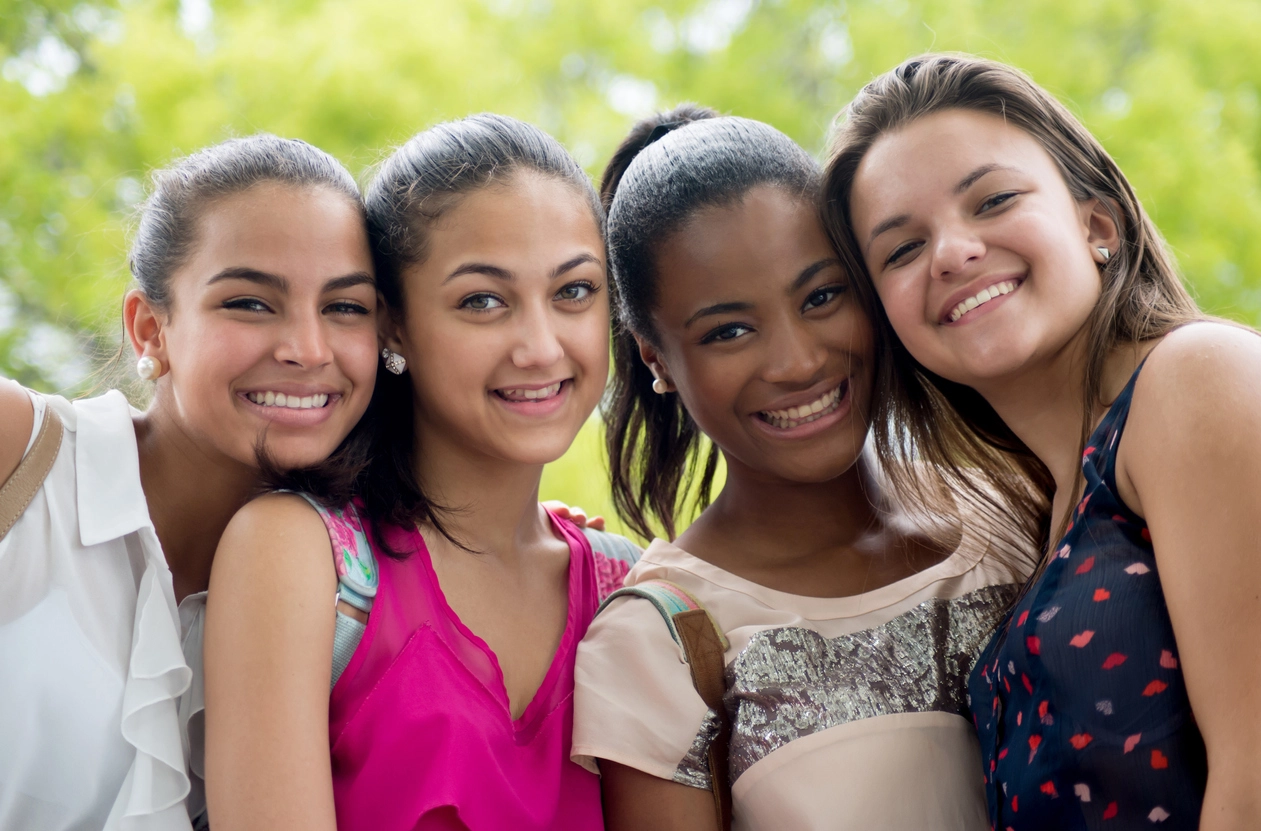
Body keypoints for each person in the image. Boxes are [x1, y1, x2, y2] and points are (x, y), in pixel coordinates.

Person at [824, 53, 1261, 829]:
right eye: (900, 249)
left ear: (1096, 224)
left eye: (991, 200)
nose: (952, 252)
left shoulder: (1196, 377)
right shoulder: (1047, 501)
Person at [571, 105, 1033, 831]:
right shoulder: (656, 643)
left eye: (821, 296)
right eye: (729, 331)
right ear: (655, 357)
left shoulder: (1018, 498)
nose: (798, 361)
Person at [204, 113, 630, 831]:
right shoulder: (300, 555)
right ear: (392, 324)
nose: (539, 346)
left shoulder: (631, 589)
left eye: (574, 291)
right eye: (482, 301)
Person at [0, 134, 379, 830]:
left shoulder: (360, 574)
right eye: (250, 303)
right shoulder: (22, 457)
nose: (307, 348)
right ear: (150, 330)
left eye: (346, 307)